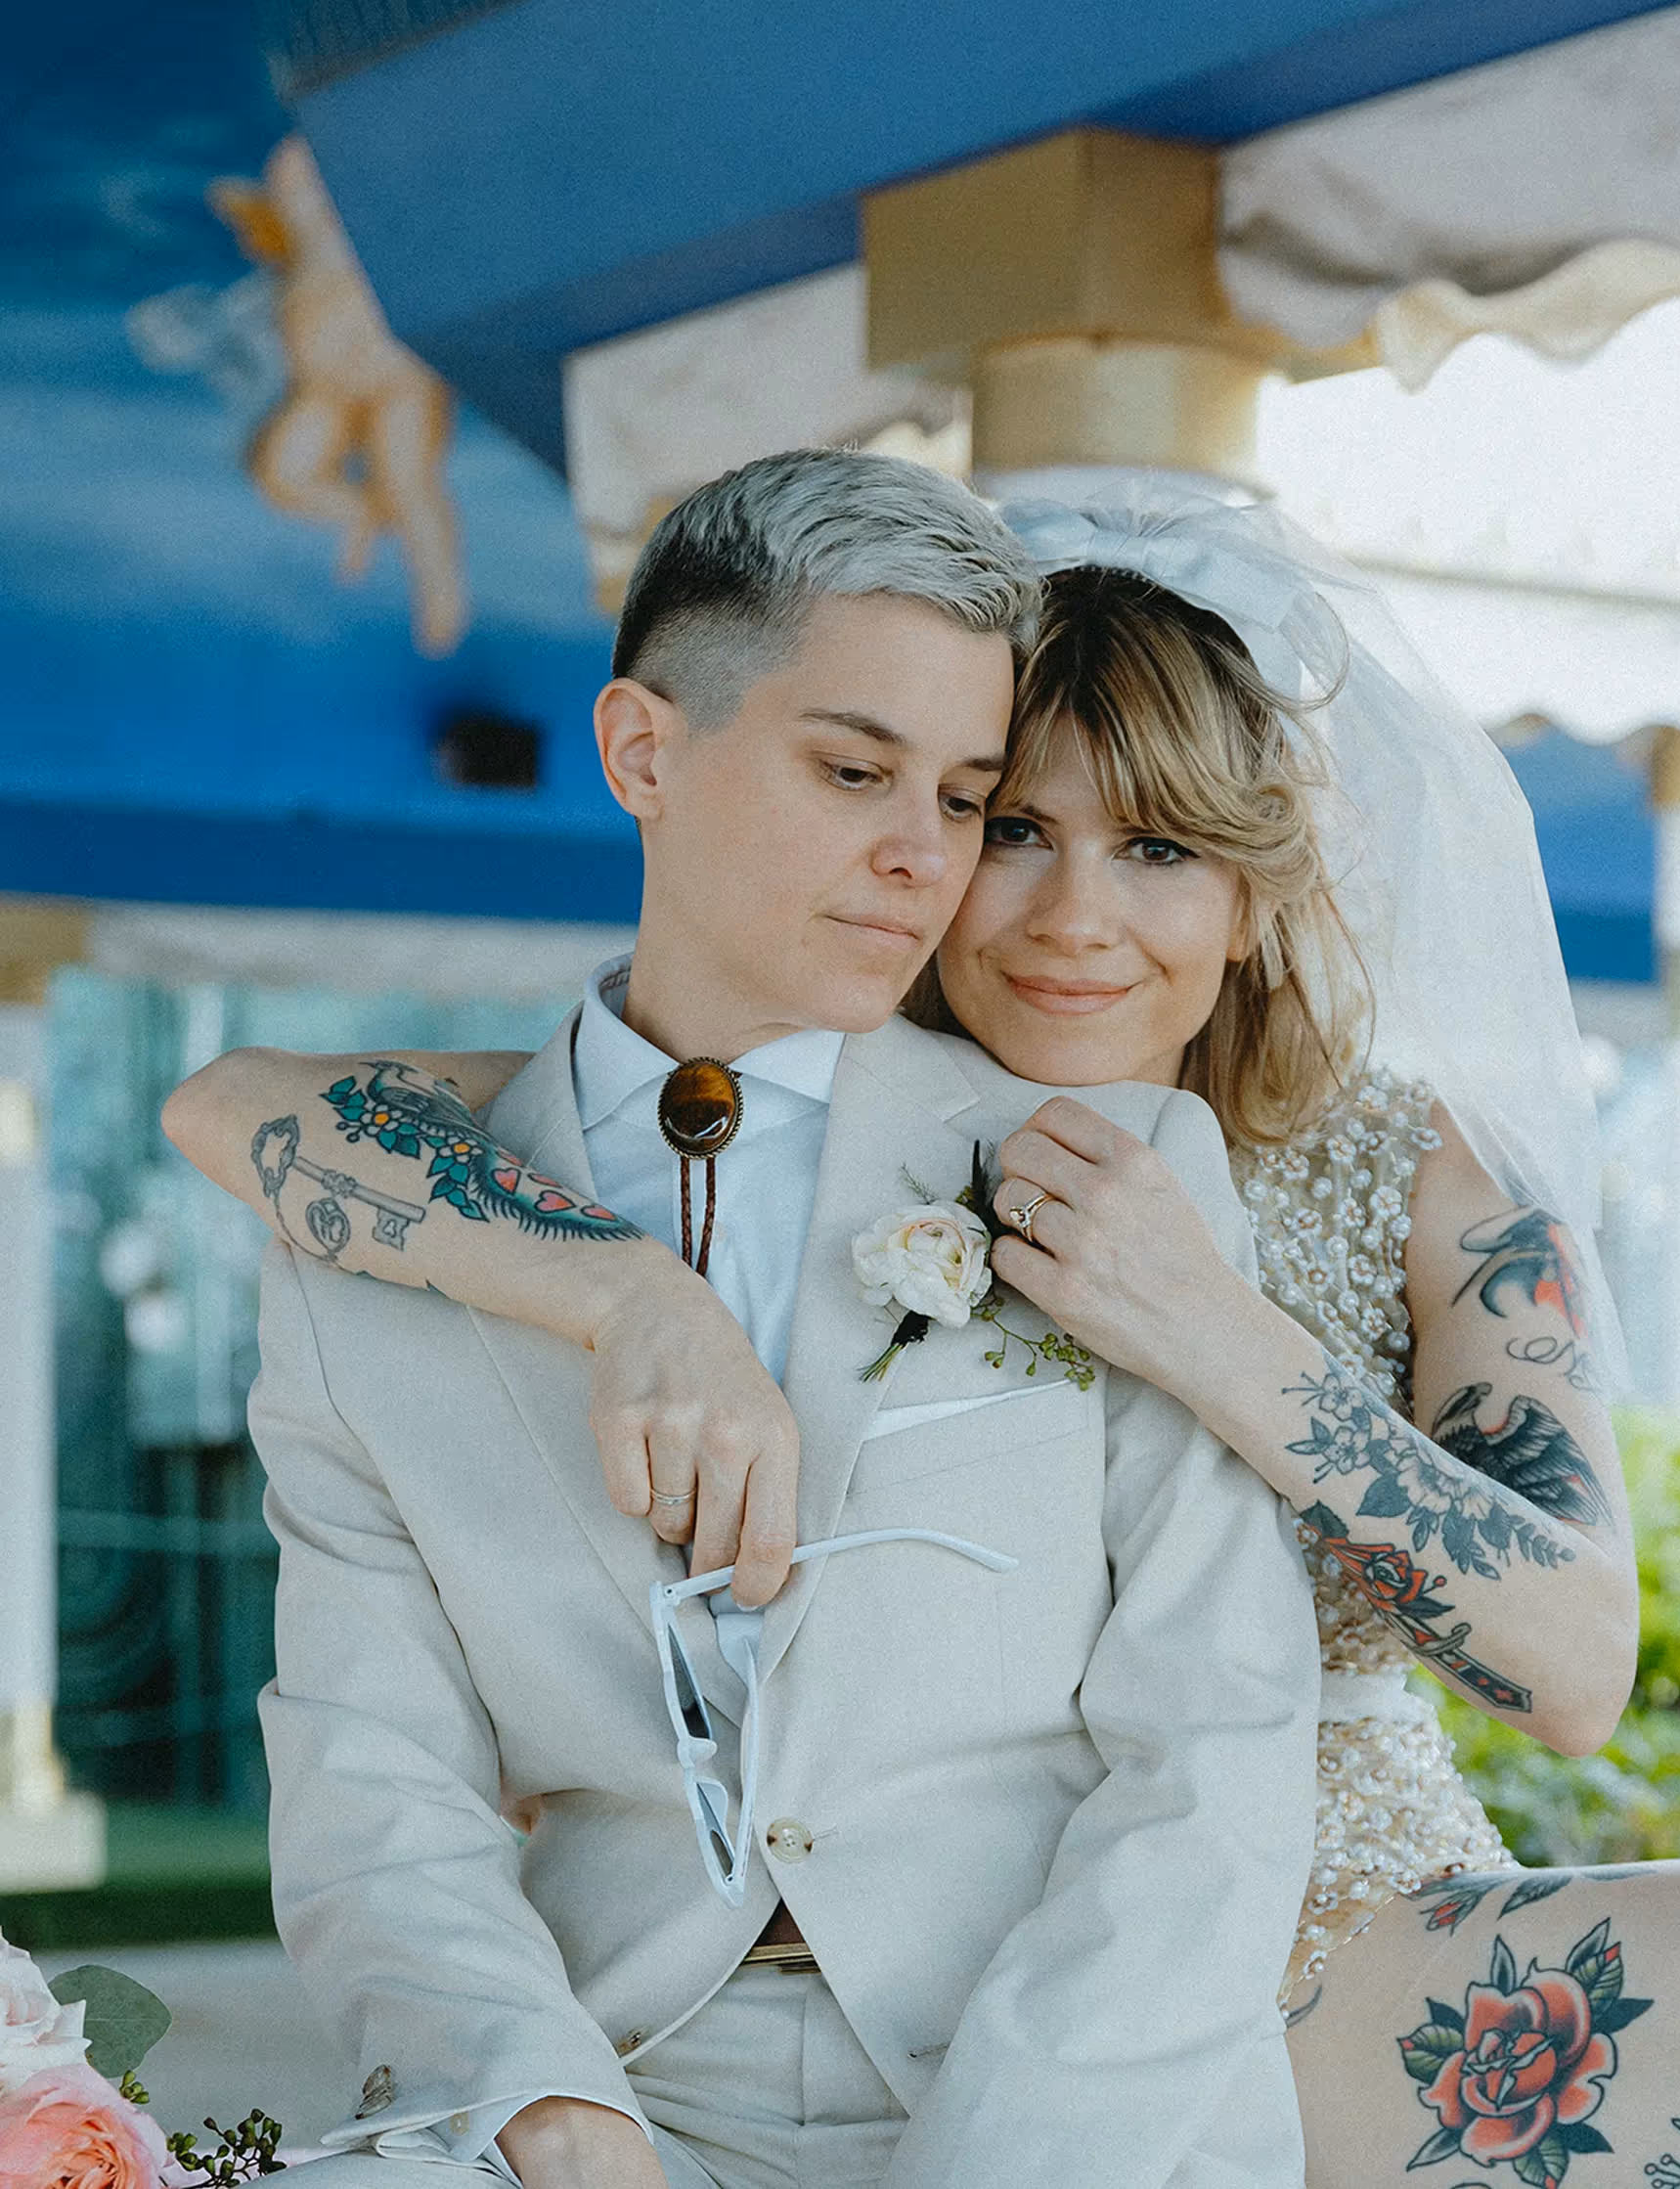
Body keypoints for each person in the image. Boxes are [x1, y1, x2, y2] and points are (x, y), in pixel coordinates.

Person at [169, 483, 1680, 2189]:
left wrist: (1210, 1325)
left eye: (1155, 848)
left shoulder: (1362, 1168)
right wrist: (620, 1289)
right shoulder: (591, 1152)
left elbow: (1561, 1666)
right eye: (1011, 828)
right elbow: (253, 1108)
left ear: (1253, 896)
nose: (1064, 909)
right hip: (826, 1978)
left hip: (1292, 1906)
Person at [168, 450, 1323, 2189]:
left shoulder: (1108, 1166)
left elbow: (1214, 1751)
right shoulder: (372, 1231)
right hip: (615, 2078)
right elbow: (372, 1779)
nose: (918, 860)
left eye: (965, 797)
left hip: (1049, 2096)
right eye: (854, 770)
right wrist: (542, 2109)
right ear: (643, 751)